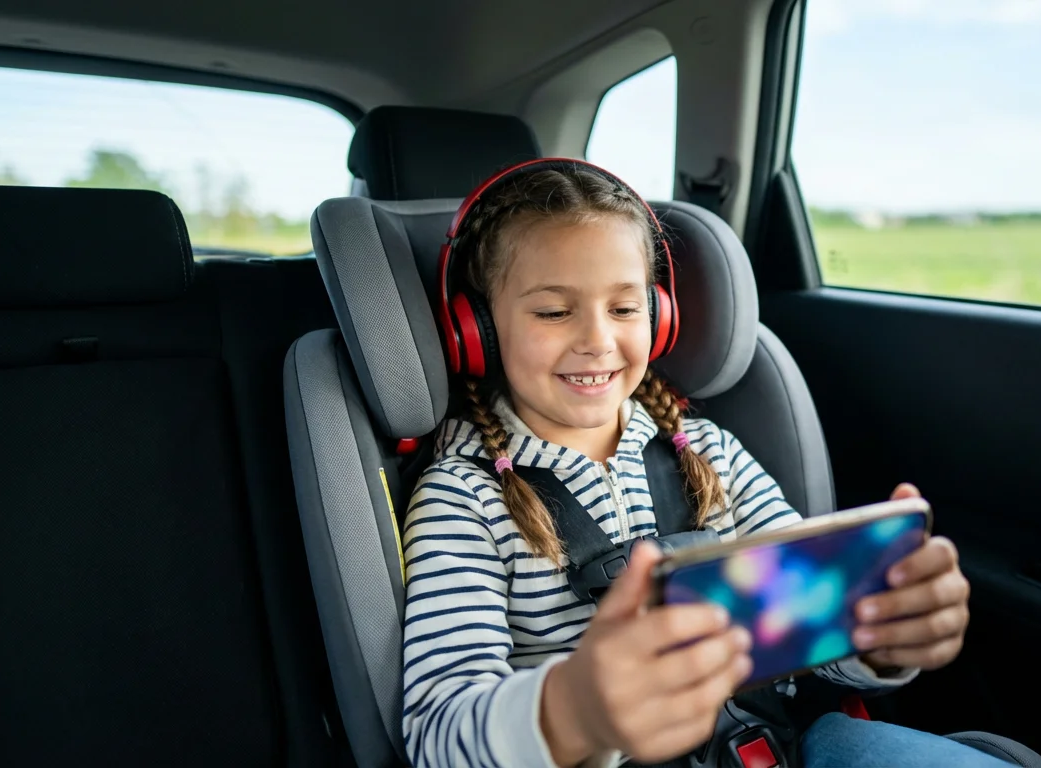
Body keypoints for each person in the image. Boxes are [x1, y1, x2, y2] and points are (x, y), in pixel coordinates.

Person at [401, 159, 1001, 768]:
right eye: (554, 312)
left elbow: (802, 614)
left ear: (660, 318)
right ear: (475, 329)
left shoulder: (708, 452)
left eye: (625, 308)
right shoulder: (462, 498)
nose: (597, 339)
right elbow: (437, 732)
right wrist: (576, 710)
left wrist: (876, 630)